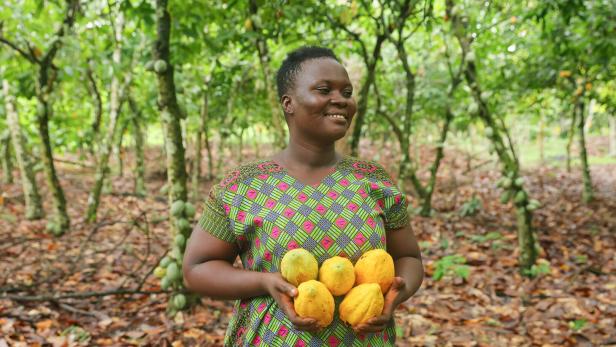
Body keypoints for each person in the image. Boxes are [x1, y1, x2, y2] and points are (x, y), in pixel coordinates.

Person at [183, 46, 423, 346]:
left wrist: (396, 294)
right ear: (289, 103)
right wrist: (264, 282)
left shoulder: (373, 180)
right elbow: (196, 269)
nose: (340, 99)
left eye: (347, 92)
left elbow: (408, 256)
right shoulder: (243, 186)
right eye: (324, 89)